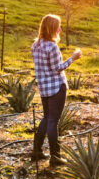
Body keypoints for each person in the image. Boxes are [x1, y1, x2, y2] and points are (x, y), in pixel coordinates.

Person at [30, 14, 81, 166]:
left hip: (44, 88)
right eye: (58, 26)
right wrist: (73, 58)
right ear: (52, 28)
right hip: (57, 87)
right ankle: (55, 156)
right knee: (53, 121)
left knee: (46, 118)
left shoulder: (35, 45)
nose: (60, 29)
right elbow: (56, 69)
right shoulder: (52, 47)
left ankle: (37, 151)